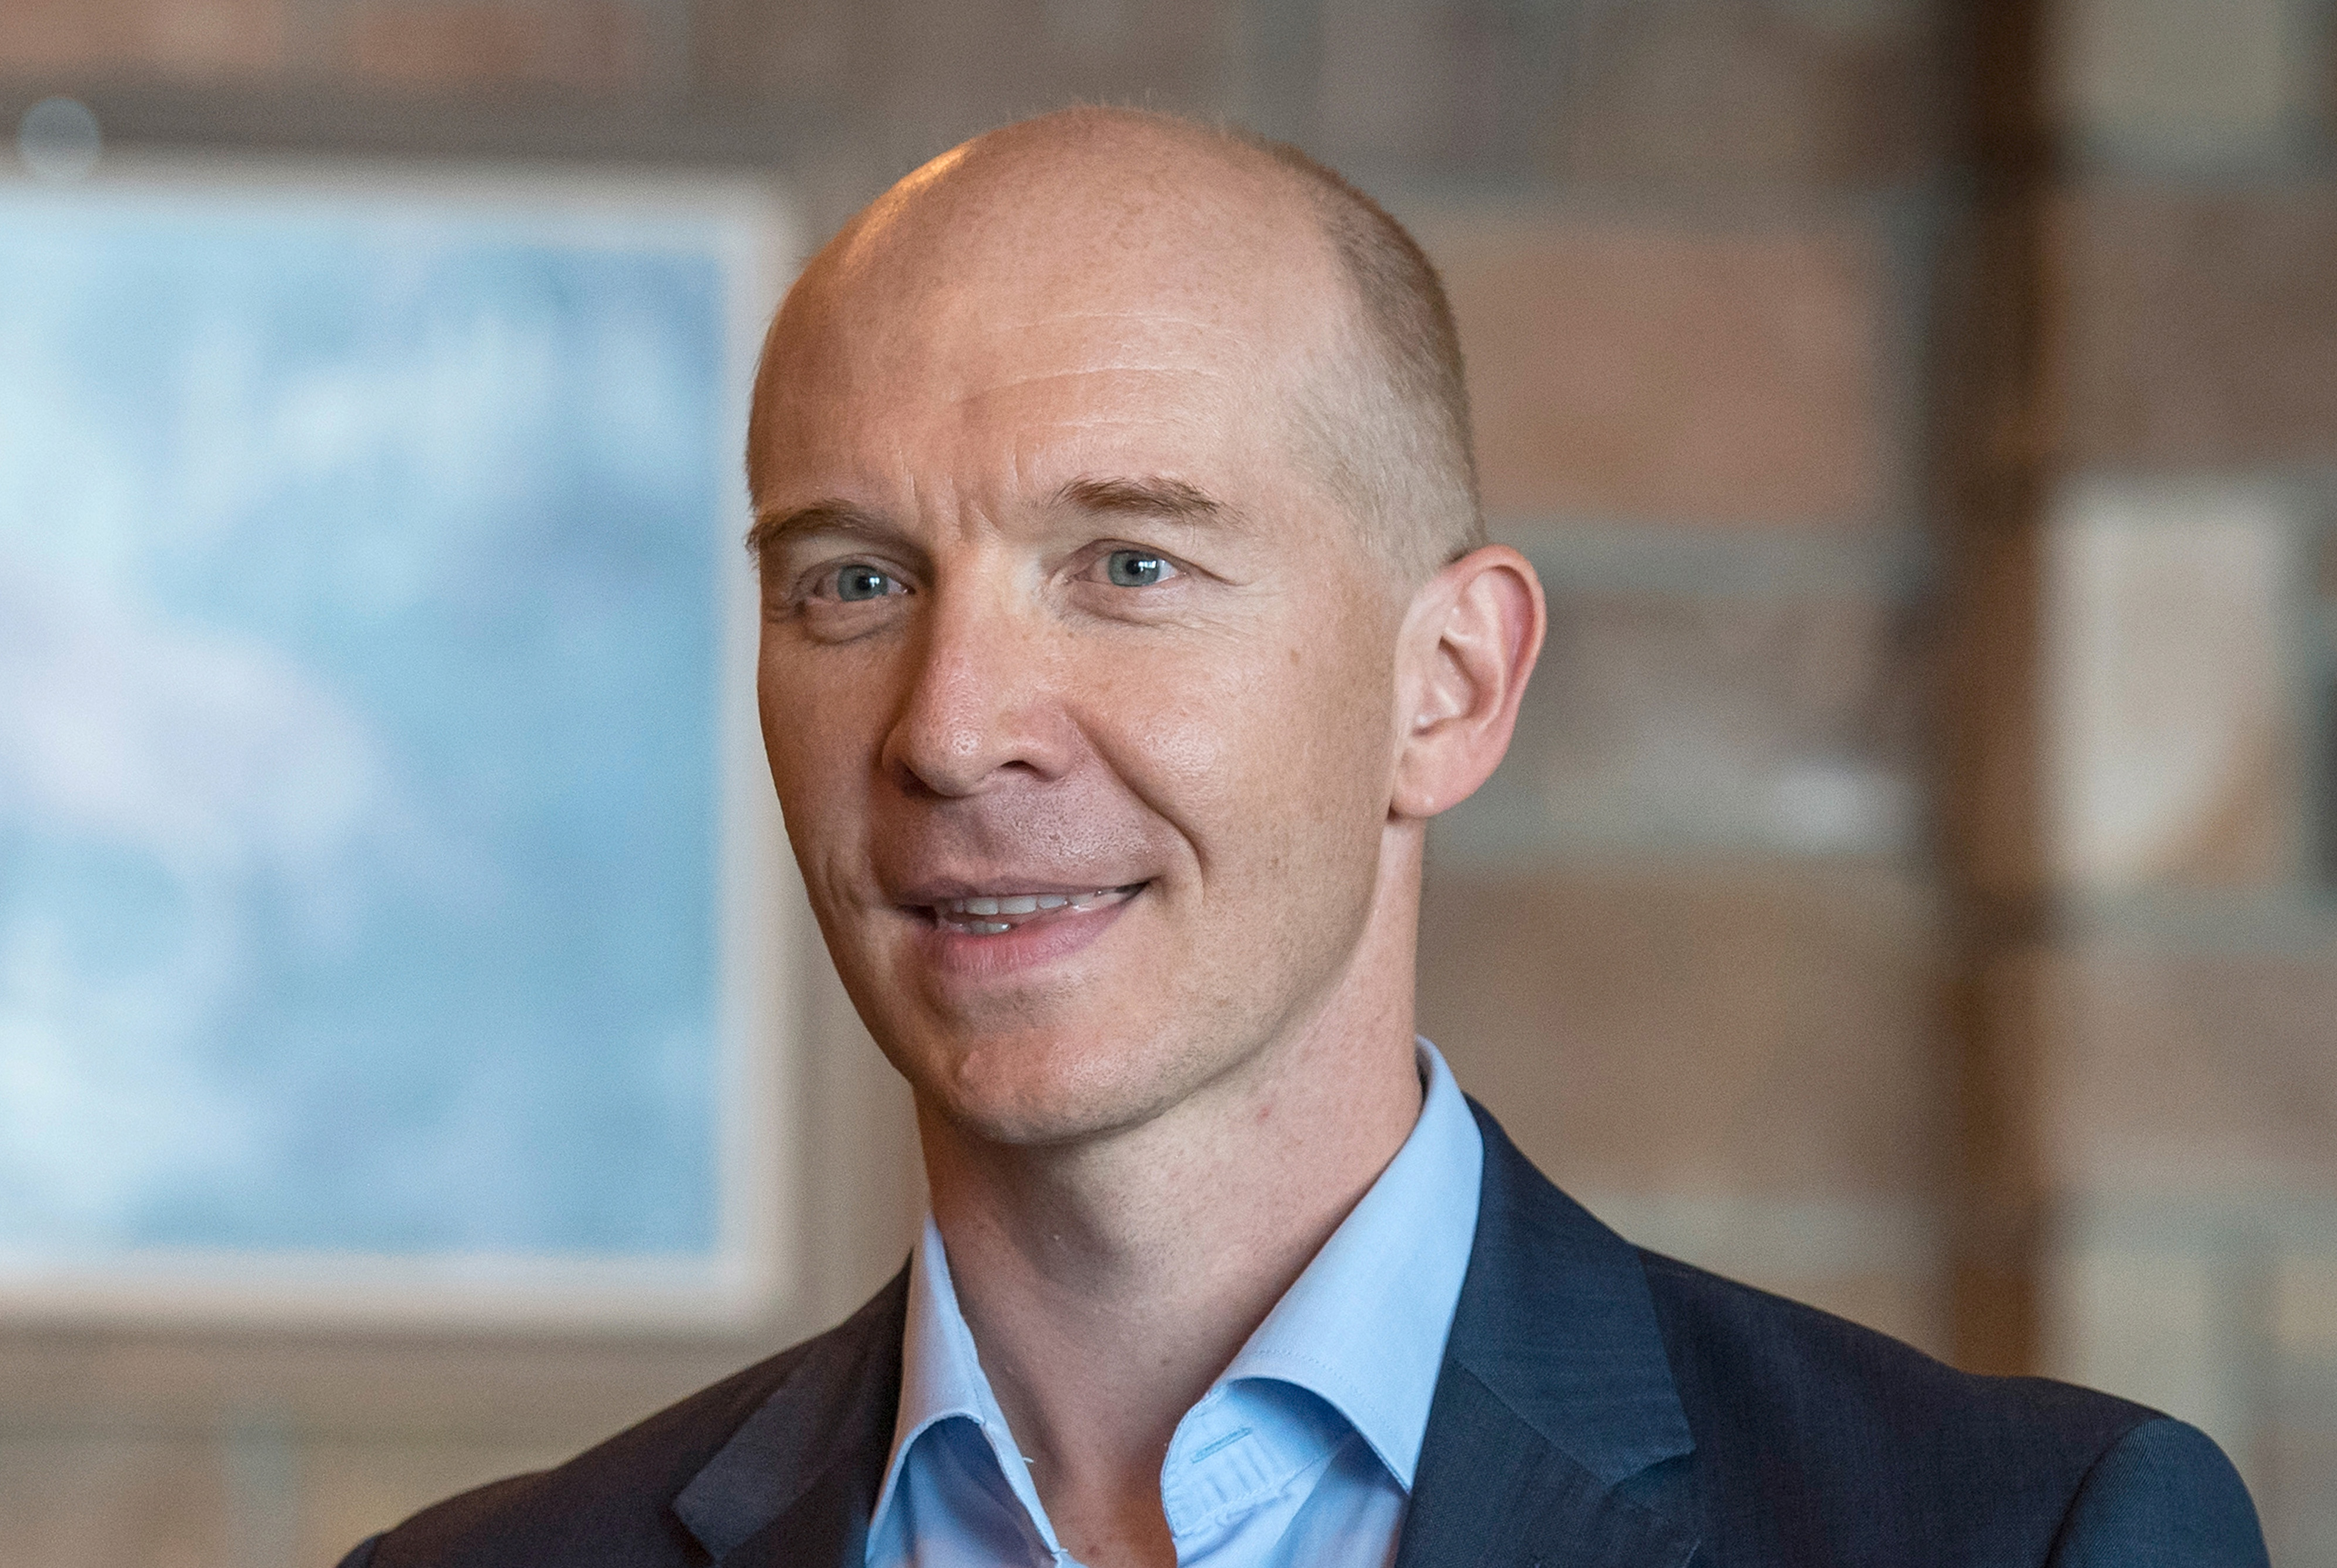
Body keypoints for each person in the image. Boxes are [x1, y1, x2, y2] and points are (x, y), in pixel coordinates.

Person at [342, 108, 2268, 1568]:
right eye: (853, 581)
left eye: (1129, 563)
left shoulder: (2025, 1534)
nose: (949, 728)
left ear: (1447, 685)